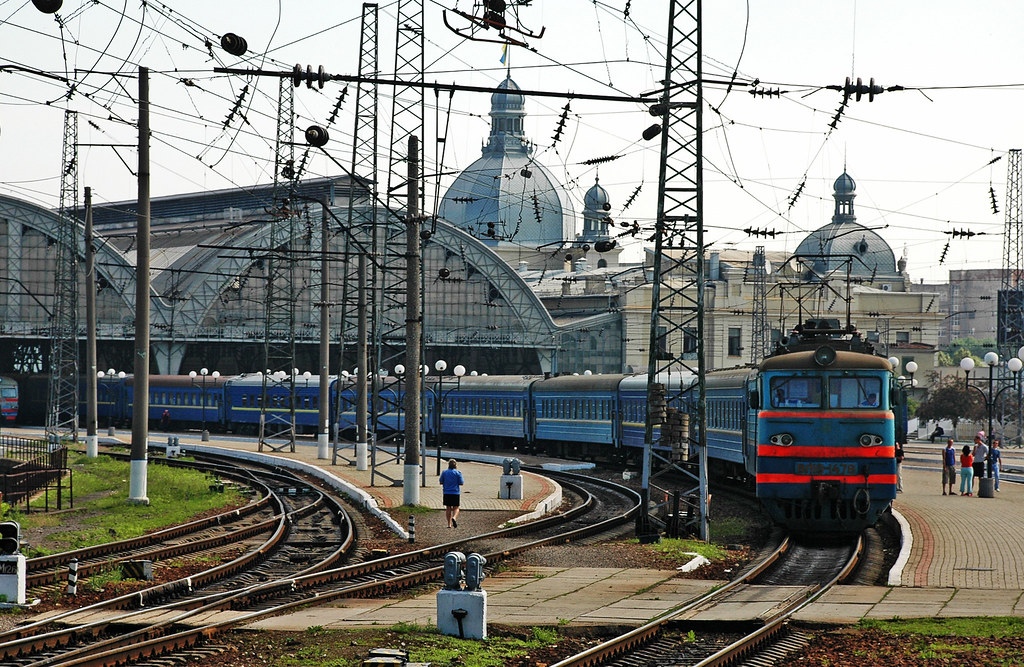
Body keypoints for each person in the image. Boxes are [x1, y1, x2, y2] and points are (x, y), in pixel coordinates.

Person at [439, 458, 464, 528]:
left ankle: (449, 524)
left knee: (448, 508)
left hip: (446, 492)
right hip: (455, 492)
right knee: (456, 508)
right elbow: (461, 483)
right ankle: (454, 517)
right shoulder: (458, 473)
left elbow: (441, 481)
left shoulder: (444, 472)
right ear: (455, 465)